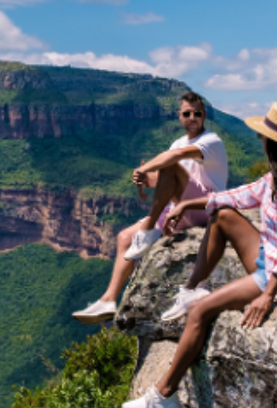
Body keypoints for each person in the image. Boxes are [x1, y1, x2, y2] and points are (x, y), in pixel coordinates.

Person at [123, 100, 277, 408]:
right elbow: (238, 195)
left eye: (264, 136)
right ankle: (192, 287)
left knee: (200, 312)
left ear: (276, 143)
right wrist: (186, 205)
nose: (259, 140)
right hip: (267, 259)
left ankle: (164, 394)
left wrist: (268, 296)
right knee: (222, 215)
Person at [72, 90, 228, 324]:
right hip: (177, 209)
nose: (192, 117)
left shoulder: (211, 141)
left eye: (197, 113)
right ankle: (108, 300)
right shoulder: (177, 142)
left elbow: (177, 157)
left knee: (171, 162)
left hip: (203, 208)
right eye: (187, 113)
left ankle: (148, 232)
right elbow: (167, 181)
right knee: (124, 238)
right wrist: (146, 179)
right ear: (179, 116)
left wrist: (147, 169)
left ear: (204, 115)